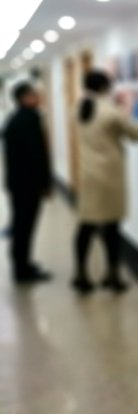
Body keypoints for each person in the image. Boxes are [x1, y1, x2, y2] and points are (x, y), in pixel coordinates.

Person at [72, 71, 138, 294]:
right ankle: (112, 275)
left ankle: (81, 275)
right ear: (105, 87)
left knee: (86, 225)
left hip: (88, 174)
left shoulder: (78, 108)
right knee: (112, 227)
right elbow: (136, 135)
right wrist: (134, 114)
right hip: (110, 176)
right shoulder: (111, 111)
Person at [3, 83, 52, 283]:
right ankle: (21, 270)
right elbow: (36, 157)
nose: (38, 97)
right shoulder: (26, 121)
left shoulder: (20, 119)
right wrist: (44, 184)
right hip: (26, 185)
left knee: (23, 225)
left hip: (20, 183)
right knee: (24, 226)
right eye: (33, 94)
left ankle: (23, 264)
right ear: (22, 98)